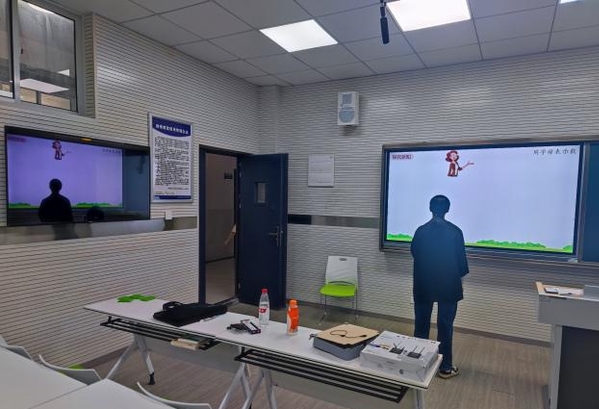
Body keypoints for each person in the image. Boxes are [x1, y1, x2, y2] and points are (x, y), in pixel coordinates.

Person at [410, 195, 469, 379]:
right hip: (449, 286)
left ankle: (418, 364)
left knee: (421, 326)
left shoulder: (420, 231)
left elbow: (414, 253)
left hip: (423, 285)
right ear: (448, 210)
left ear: (430, 208)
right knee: (445, 326)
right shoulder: (455, 232)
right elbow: (461, 264)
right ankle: (445, 367)